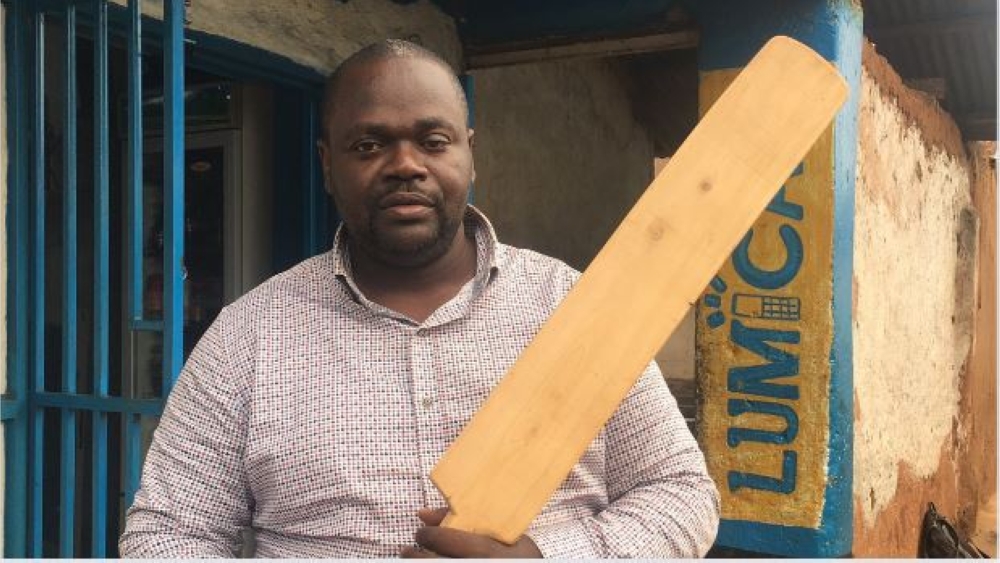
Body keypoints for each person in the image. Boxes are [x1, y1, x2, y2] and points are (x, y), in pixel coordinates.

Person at [120, 39, 720, 558]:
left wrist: (548, 557)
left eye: (433, 141)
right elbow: (168, 534)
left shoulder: (575, 308)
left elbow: (680, 491)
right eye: (368, 145)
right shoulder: (248, 336)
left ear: (469, 154)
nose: (405, 165)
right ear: (327, 165)